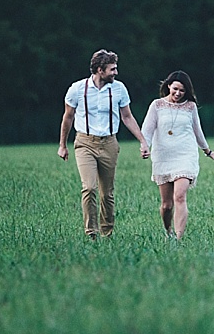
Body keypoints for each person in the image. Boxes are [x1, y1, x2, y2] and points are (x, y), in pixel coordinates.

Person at [59, 49, 150, 239]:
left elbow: (127, 116)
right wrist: (63, 145)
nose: (116, 72)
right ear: (100, 70)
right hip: (84, 142)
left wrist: (142, 141)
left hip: (109, 143)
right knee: (89, 187)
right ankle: (91, 232)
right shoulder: (77, 89)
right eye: (112, 69)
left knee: (106, 193)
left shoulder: (119, 89)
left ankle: (107, 232)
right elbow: (68, 117)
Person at [140, 70, 214, 240]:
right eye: (175, 89)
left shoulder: (190, 107)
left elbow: (198, 131)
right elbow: (147, 129)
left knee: (180, 196)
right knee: (167, 205)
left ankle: (179, 238)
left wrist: (208, 151)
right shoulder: (157, 105)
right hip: (163, 156)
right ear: (168, 86)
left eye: (182, 91)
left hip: (185, 155)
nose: (178, 93)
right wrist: (145, 146)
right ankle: (167, 231)